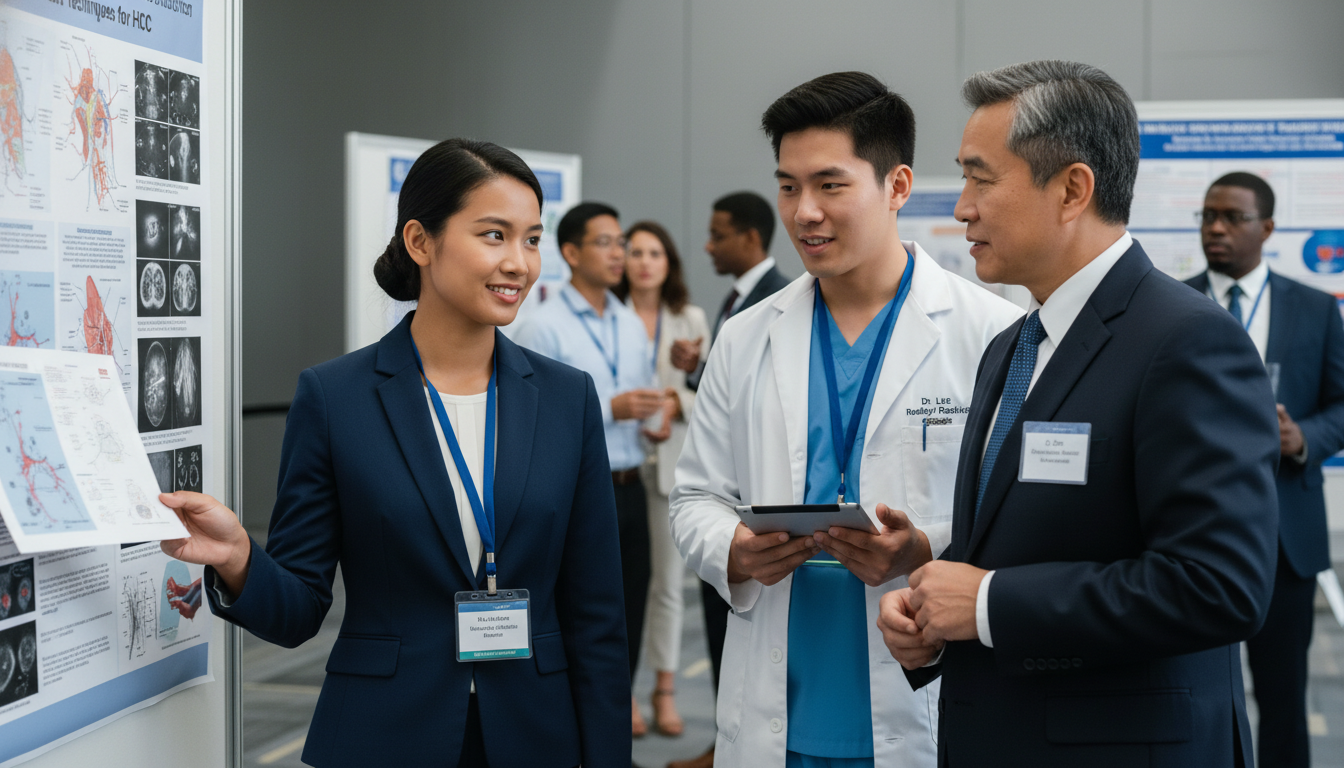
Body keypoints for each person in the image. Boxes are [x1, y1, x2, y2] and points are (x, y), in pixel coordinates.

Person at [159, 139, 629, 767]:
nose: (519, 262)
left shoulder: (567, 399)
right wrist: (242, 558)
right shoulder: (336, 397)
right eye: (494, 235)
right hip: (384, 736)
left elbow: (596, 616)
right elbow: (299, 609)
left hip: (534, 734)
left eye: (532, 239)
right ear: (420, 241)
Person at [879, 61, 1280, 767]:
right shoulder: (1013, 345)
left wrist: (989, 603)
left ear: (1071, 189)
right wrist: (938, 614)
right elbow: (1028, 544)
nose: (962, 207)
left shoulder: (1186, 339)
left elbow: (1220, 585)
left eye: (981, 178)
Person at [670, 71, 1021, 768]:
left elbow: (1021, 521)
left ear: (896, 187)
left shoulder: (994, 334)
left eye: (830, 186)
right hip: (777, 708)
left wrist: (923, 546)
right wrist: (734, 549)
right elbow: (694, 498)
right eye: (789, 187)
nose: (804, 212)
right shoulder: (746, 336)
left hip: (923, 705)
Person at [1184, 171, 1344, 768]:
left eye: (1232, 217)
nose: (1216, 228)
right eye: (1207, 216)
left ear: (1268, 228)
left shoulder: (1315, 308)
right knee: (1196, 699)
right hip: (1191, 535)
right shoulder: (1167, 303)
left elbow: (1342, 404)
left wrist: (1304, 437)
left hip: (1286, 539)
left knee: (1283, 703)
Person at [514, 201, 665, 737]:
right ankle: (569, 722)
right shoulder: (542, 327)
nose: (619, 253)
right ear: (571, 252)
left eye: (621, 242)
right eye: (606, 242)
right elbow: (534, 419)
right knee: (578, 610)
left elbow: (639, 401)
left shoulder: (628, 321)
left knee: (628, 608)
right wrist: (611, 409)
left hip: (630, 485)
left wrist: (652, 420)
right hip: (578, 494)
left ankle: (613, 711)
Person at [666, 190, 790, 768]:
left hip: (758, 518)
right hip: (725, 515)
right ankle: (723, 742)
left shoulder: (774, 301)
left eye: (718, 235)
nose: (709, 246)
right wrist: (699, 372)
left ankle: (724, 744)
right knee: (720, 621)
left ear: (749, 237)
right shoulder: (739, 301)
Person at [614, 220, 710, 739]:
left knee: (669, 585)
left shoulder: (688, 317)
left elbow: (713, 396)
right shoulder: (610, 315)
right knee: (625, 585)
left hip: (670, 464)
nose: (645, 261)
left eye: (655, 252)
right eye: (636, 252)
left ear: (669, 261)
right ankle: (625, 691)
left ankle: (664, 690)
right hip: (622, 461)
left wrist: (678, 398)